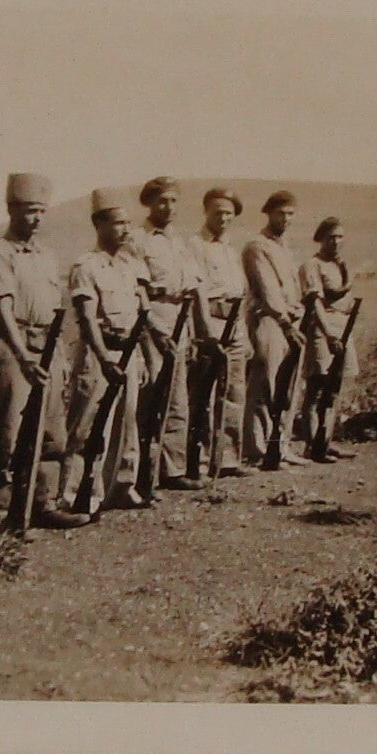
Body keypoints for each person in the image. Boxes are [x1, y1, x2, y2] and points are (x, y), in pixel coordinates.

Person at [0, 173, 91, 530]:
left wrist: (57, 353)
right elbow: (2, 307)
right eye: (30, 210)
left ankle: (43, 502)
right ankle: (2, 511)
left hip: (48, 345)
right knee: (10, 430)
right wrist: (21, 354)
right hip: (16, 345)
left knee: (51, 430)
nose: (37, 218)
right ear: (11, 209)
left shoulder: (47, 254)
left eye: (42, 210)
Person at [60, 189, 155, 513]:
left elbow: (139, 317)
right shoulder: (86, 266)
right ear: (98, 224)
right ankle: (75, 494)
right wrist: (103, 360)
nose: (125, 229)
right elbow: (88, 320)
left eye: (127, 223)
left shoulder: (129, 266)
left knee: (126, 424)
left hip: (128, 353)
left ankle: (121, 487)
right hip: (99, 353)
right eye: (117, 223)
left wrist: (141, 357)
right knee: (88, 426)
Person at [125, 176, 208, 492]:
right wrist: (153, 328)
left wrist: (195, 332)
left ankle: (172, 469)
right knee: (151, 396)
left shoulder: (180, 241)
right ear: (148, 203)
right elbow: (137, 289)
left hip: (179, 317)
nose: (168, 207)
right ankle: (139, 472)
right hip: (152, 318)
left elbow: (192, 288)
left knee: (177, 396)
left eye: (173, 201)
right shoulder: (138, 240)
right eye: (162, 201)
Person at [186, 186, 252, 477]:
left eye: (228, 213)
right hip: (211, 321)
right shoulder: (195, 245)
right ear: (206, 212)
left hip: (234, 323)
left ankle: (228, 459)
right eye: (218, 212)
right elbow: (197, 291)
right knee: (204, 392)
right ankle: (198, 460)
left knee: (234, 391)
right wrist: (204, 332)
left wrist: (244, 332)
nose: (223, 218)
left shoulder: (230, 248)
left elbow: (241, 294)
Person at [241, 189, 308, 468]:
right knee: (266, 384)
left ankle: (281, 445)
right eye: (281, 213)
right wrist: (284, 321)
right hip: (270, 321)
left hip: (291, 321)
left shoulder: (285, 248)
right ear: (269, 213)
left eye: (291, 214)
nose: (286, 219)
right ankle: (258, 447)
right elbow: (268, 290)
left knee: (288, 387)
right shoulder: (257, 247)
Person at [298, 216, 359, 462]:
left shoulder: (341, 267)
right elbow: (314, 304)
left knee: (334, 389)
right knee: (316, 387)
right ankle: (312, 445)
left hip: (343, 327)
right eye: (331, 237)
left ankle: (325, 443)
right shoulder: (312, 265)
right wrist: (328, 333)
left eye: (340, 237)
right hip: (322, 329)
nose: (336, 242)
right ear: (321, 238)